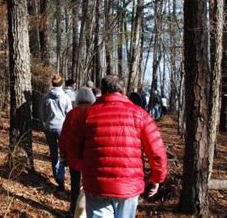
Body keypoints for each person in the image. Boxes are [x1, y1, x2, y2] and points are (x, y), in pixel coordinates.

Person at [68, 75, 167, 217]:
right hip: (129, 185)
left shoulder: (85, 115)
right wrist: (157, 178)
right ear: (123, 91)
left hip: (97, 184)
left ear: (103, 90)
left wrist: (85, 167)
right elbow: (157, 151)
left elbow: (73, 150)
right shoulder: (140, 115)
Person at [60, 87, 96, 216]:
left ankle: (74, 210)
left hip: (74, 155)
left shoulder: (72, 114)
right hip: (91, 157)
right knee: (90, 186)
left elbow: (64, 135)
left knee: (75, 185)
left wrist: (63, 152)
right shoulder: (95, 113)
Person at [40, 75, 73, 192]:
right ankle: (62, 176)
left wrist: (47, 121)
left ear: (52, 84)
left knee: (54, 154)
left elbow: (42, 115)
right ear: (62, 84)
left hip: (49, 128)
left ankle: (59, 179)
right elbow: (69, 114)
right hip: (62, 128)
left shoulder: (45, 98)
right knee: (63, 153)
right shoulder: (66, 98)